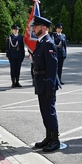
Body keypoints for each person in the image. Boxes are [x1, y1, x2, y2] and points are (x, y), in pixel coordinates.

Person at [31, 15, 61, 152]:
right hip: (40, 82)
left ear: (44, 28)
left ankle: (55, 140)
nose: (33, 28)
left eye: (36, 26)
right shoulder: (41, 41)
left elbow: (52, 66)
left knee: (49, 111)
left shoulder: (48, 43)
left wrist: (50, 85)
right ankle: (48, 137)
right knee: (44, 111)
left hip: (46, 83)